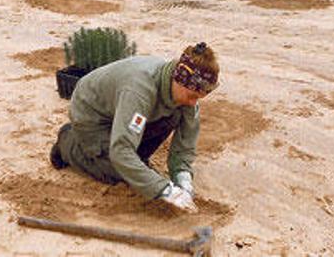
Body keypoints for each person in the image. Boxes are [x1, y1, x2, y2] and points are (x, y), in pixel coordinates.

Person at [50, 43, 220, 213]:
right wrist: (165, 191)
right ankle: (68, 143)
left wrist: (183, 179)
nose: (193, 102)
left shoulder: (186, 91)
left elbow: (186, 143)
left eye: (198, 98)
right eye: (192, 96)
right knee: (121, 174)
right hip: (92, 116)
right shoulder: (139, 91)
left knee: (172, 118)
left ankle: (132, 158)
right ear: (178, 80)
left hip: (124, 112)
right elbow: (121, 151)